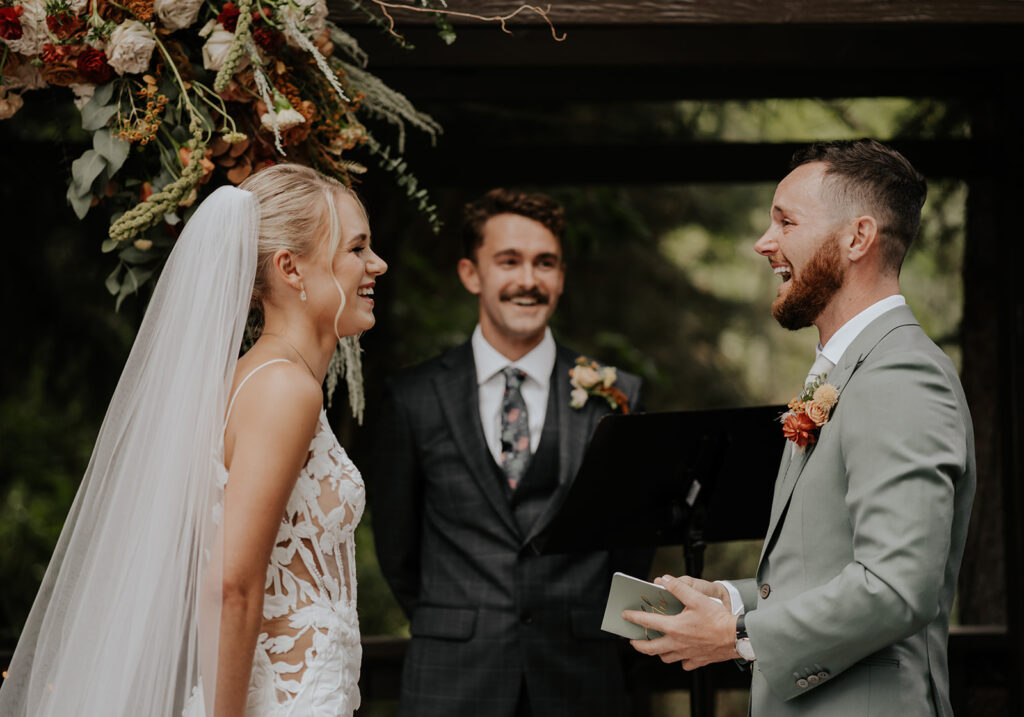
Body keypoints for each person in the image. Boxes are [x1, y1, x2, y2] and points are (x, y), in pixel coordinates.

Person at [0, 164, 387, 717]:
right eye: (357, 249)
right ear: (290, 268)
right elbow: (230, 586)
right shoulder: (283, 389)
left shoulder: (252, 379)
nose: (377, 264)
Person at [625, 139, 976, 716]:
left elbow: (894, 587)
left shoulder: (901, 375)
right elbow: (828, 570)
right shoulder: (850, 368)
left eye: (785, 221)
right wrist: (729, 603)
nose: (765, 243)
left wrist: (737, 637)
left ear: (857, 238)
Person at [367, 188, 648, 717]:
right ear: (471, 274)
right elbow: (397, 548)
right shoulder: (414, 398)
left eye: (545, 263)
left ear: (561, 276)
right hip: (452, 679)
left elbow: (630, 548)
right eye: (508, 261)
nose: (528, 280)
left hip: (581, 680)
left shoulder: (618, 395)